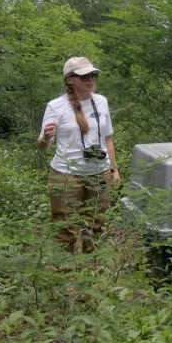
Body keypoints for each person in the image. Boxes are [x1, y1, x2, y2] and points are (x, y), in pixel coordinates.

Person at [37, 57, 120, 254]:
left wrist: (114, 169)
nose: (91, 80)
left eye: (93, 75)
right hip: (66, 174)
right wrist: (46, 137)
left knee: (96, 224)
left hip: (99, 173)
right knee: (65, 227)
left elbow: (107, 138)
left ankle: (92, 269)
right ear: (70, 80)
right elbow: (42, 146)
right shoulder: (55, 106)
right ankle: (63, 274)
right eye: (85, 76)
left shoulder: (101, 102)